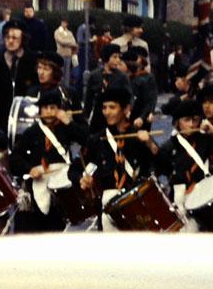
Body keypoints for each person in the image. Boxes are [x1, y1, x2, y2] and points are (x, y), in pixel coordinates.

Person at [72, 86, 153, 232]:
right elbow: (74, 169)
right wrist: (81, 179)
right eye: (104, 108)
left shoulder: (138, 137)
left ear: (126, 109)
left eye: (112, 107)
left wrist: (150, 144)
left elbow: (158, 168)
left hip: (136, 206)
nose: (107, 112)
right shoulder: (97, 140)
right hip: (106, 208)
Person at [9, 88, 79, 233]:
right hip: (39, 179)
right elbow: (15, 158)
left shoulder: (66, 129)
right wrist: (29, 168)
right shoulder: (31, 132)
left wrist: (69, 123)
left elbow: (85, 139)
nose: (48, 112)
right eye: (45, 108)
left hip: (61, 182)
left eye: (52, 108)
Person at [151, 99, 213, 212]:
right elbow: (157, 172)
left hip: (208, 193)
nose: (191, 124)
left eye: (195, 120)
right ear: (177, 123)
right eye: (186, 120)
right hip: (181, 200)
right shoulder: (169, 147)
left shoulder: (206, 139)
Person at [0, 20, 38, 131]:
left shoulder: (32, 61)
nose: (10, 41)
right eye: (7, 37)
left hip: (25, 121)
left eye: (15, 38)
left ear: (23, 39)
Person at [84, 43, 131, 132]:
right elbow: (88, 98)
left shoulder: (122, 77)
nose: (117, 60)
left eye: (119, 57)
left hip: (116, 117)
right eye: (114, 57)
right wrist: (85, 116)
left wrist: (127, 111)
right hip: (98, 117)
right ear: (106, 57)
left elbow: (129, 96)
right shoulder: (95, 75)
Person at [54, 18, 78, 84]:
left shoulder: (69, 32)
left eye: (66, 23)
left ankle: (66, 87)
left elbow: (74, 42)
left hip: (69, 55)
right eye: (63, 22)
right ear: (61, 22)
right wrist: (69, 42)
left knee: (67, 73)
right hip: (60, 54)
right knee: (61, 72)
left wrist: (67, 42)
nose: (65, 24)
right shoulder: (57, 32)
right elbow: (61, 41)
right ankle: (60, 86)